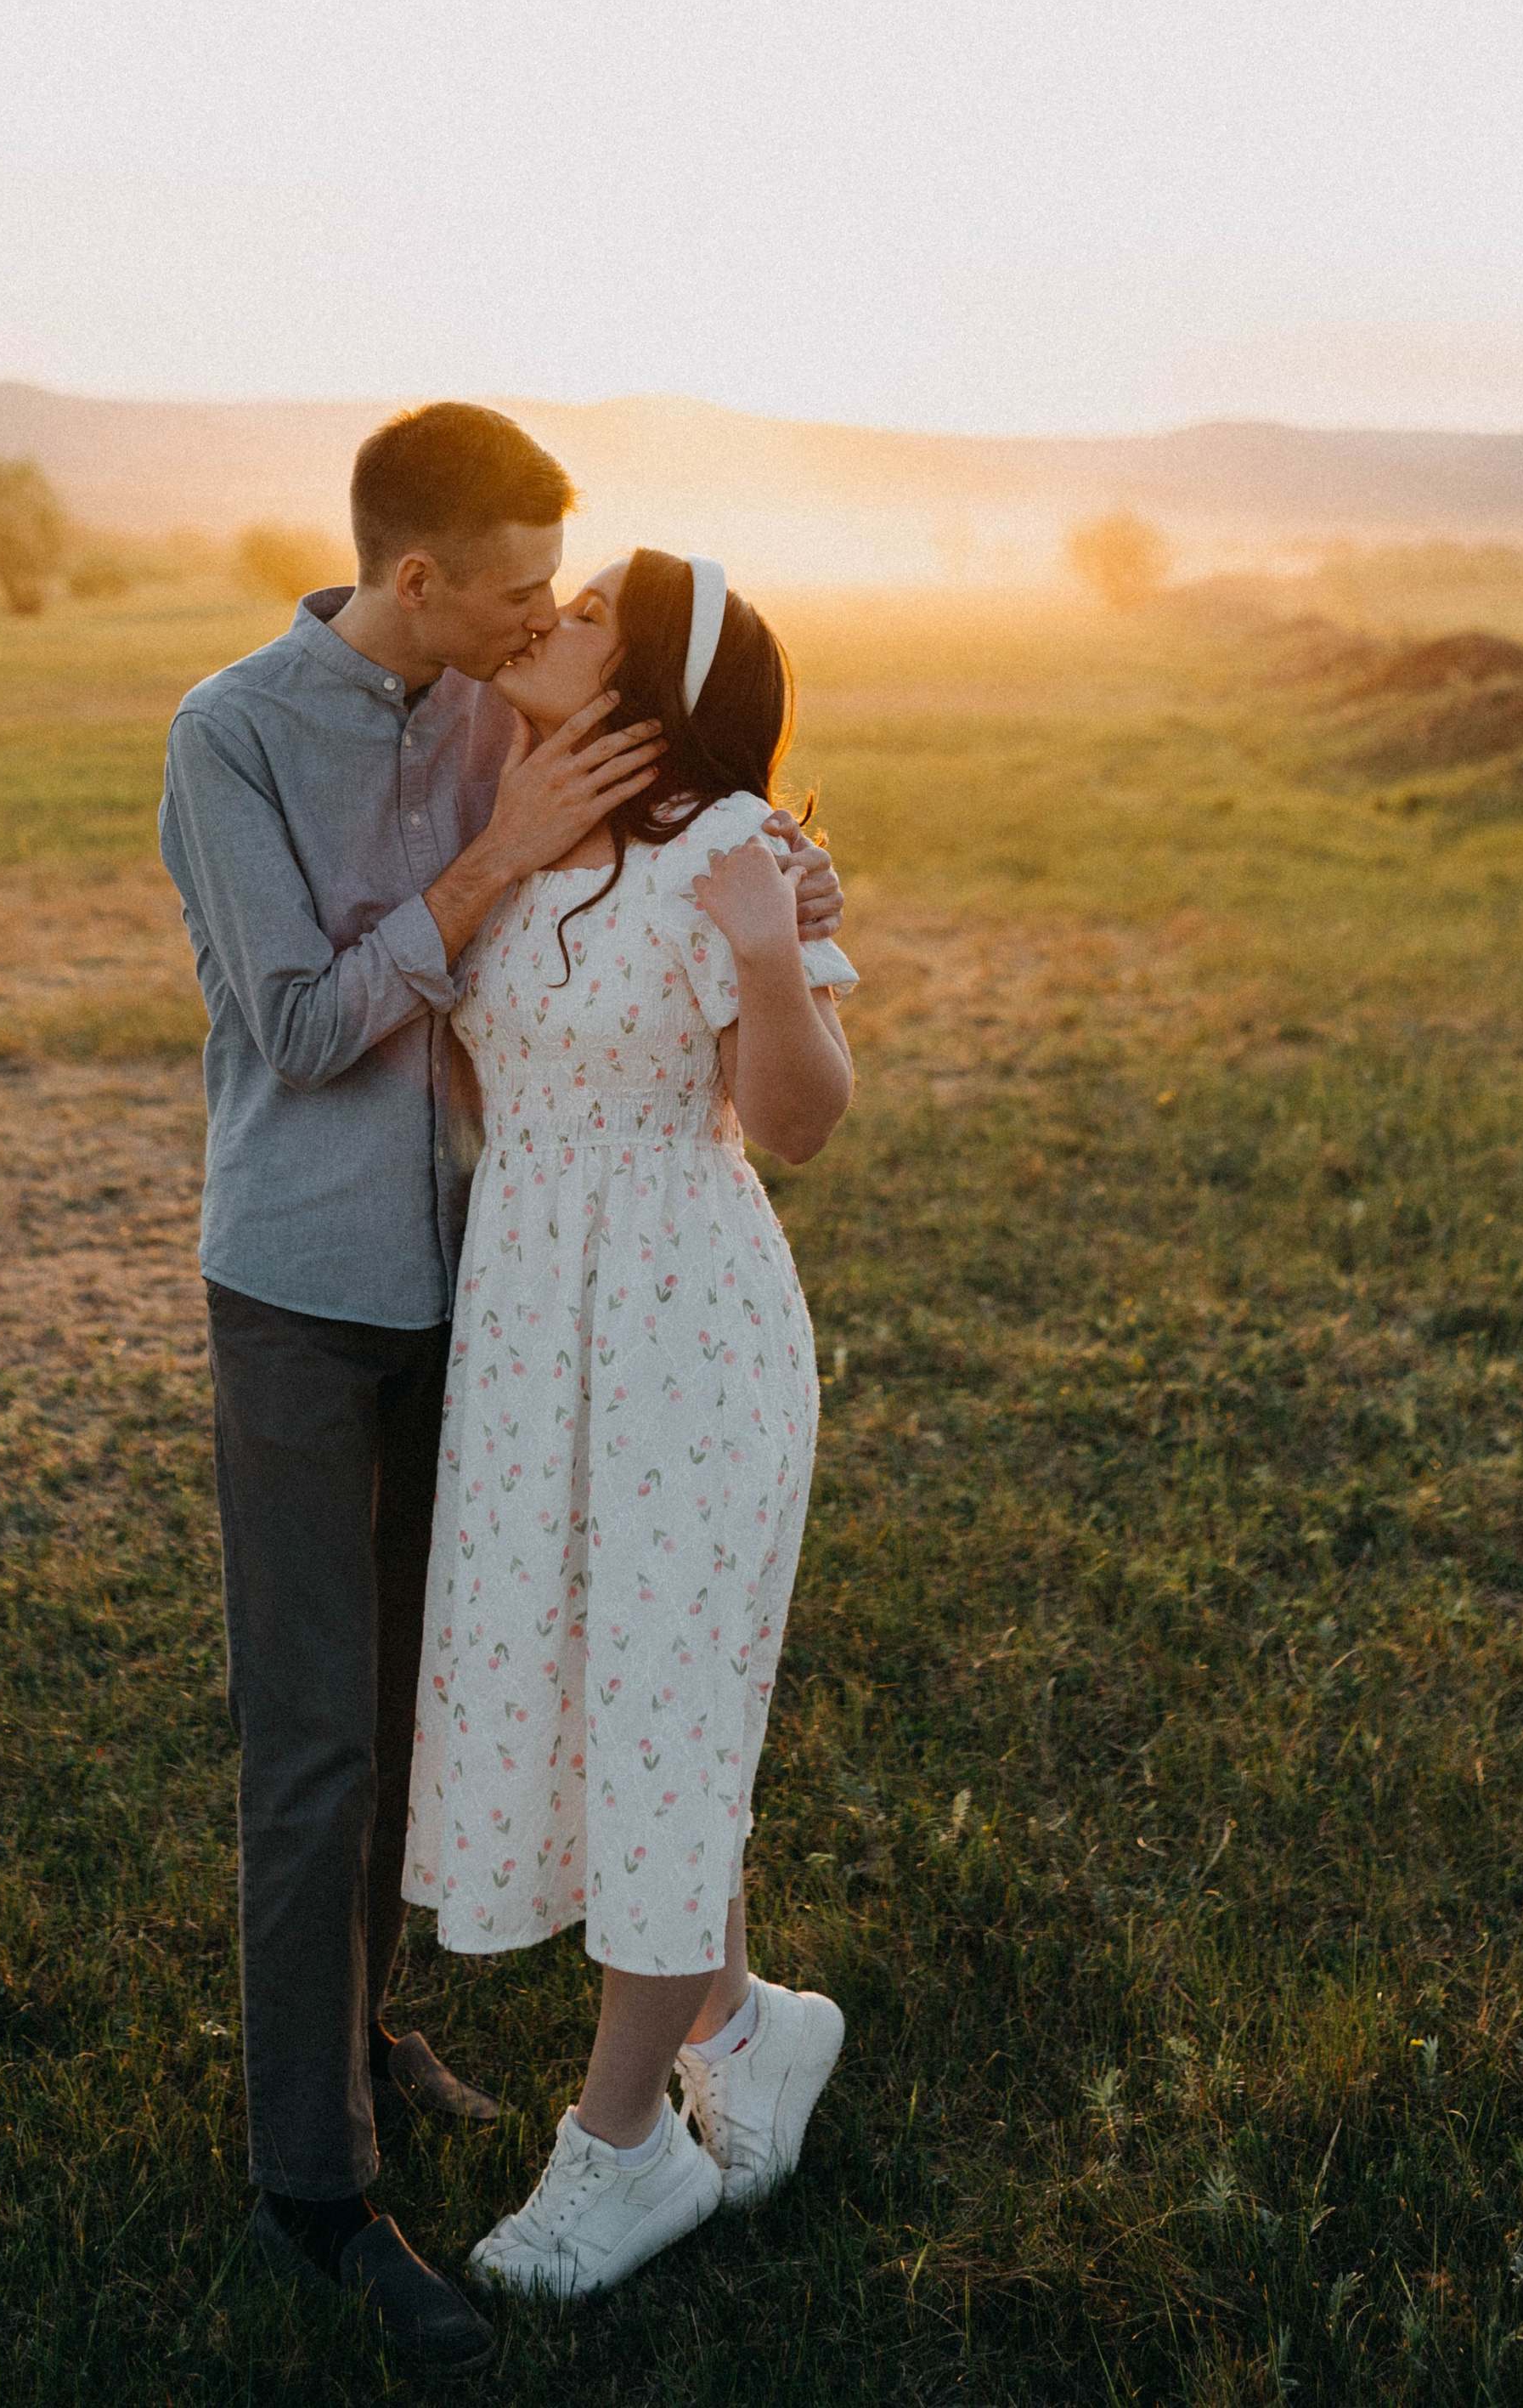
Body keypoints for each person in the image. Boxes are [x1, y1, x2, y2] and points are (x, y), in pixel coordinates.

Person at [157, 409, 844, 2377]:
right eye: (523, 592)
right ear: (419, 583)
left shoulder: (494, 711)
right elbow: (297, 1025)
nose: (548, 618)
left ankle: (452, 2042)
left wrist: (779, 869)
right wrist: (492, 866)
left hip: (510, 1299)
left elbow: (681, 837)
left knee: (474, 1689)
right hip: (303, 1284)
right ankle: (319, 2184)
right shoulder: (237, 734)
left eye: (574, 604)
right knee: (315, 1739)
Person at [404, 545, 857, 2302]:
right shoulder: (508, 818)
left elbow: (799, 1125)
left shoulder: (733, 845)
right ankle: (745, 2028)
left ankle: (620, 2150)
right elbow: (473, 1066)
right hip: (535, 1323)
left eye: (584, 611)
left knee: (663, 1695)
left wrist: (764, 947)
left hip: (683, 1325)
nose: (548, 617)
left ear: (649, 678)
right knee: (613, 1695)